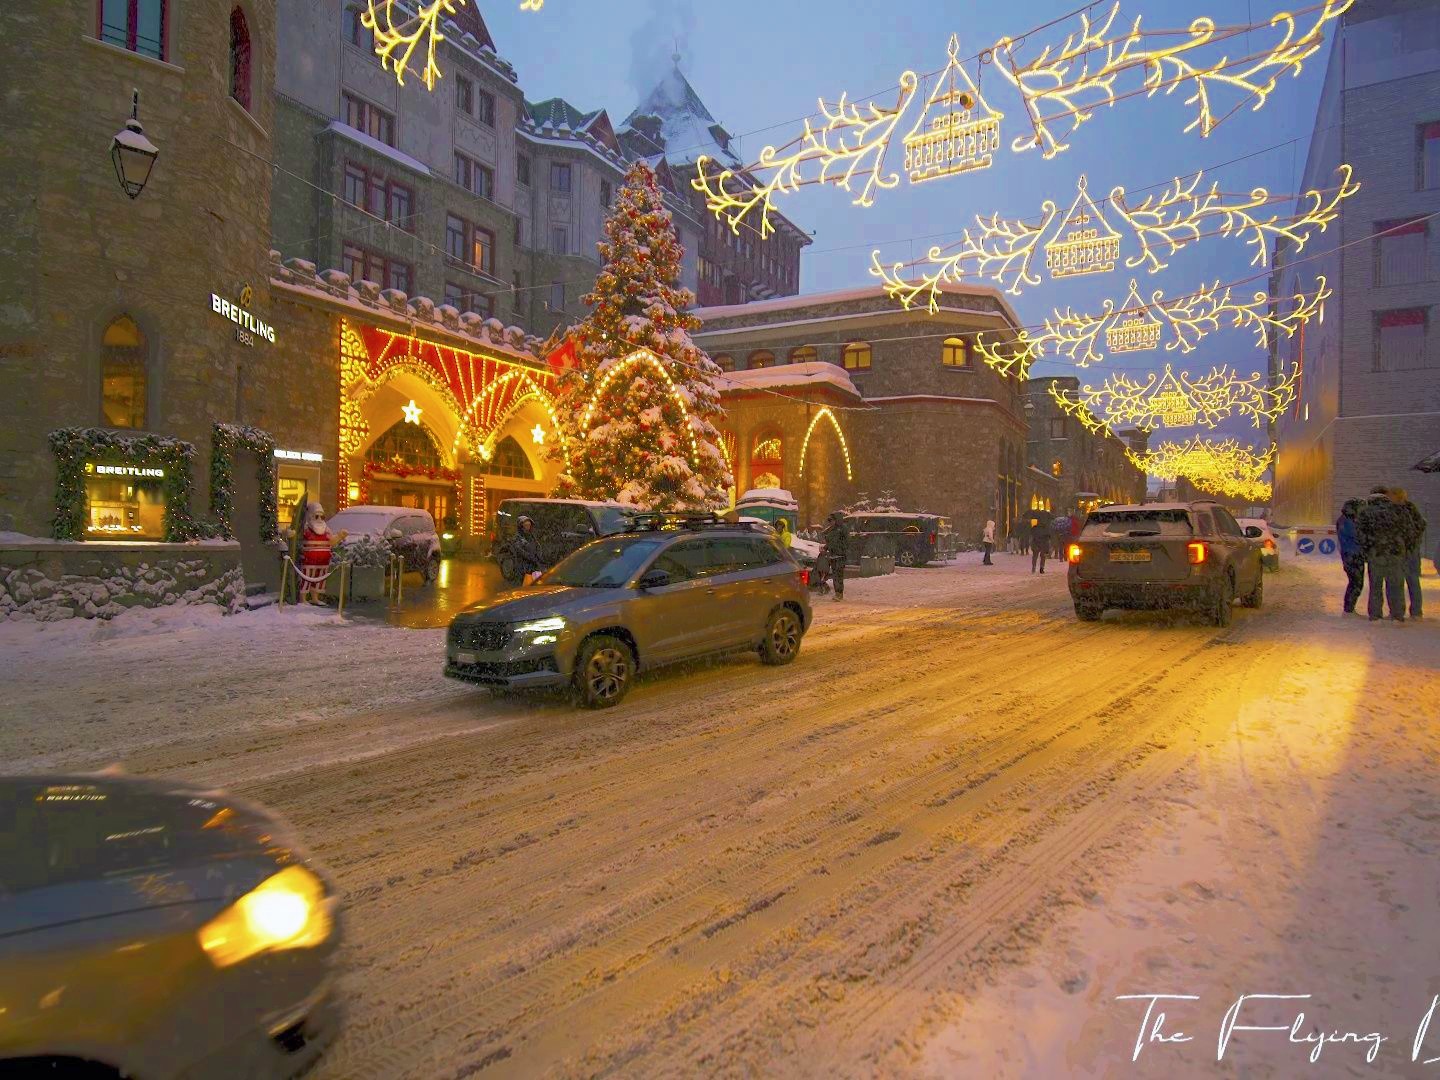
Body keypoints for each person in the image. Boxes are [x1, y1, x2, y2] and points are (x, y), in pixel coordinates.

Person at [1355, 485, 1409, 621]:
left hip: (1376, 554)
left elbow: (1361, 535)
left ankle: (1375, 614)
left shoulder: (1366, 513)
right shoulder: (1399, 511)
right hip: (1396, 553)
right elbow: (1409, 530)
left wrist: (1368, 549)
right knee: (1396, 585)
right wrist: (1404, 547)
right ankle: (1397, 614)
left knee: (1376, 586)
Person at [1390, 487, 1427, 620]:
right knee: (1413, 581)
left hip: (1401, 550)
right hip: (1411, 549)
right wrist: (1415, 541)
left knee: (1398, 581)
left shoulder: (1393, 510)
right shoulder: (1411, 508)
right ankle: (1416, 611)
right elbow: (1422, 524)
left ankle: (1399, 611)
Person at [298, 501, 334, 604]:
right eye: (316, 516)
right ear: (310, 516)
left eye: (322, 517)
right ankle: (303, 598)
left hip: (323, 561)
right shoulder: (306, 528)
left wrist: (340, 536)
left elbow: (332, 541)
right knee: (307, 578)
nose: (319, 519)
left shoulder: (326, 529)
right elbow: (297, 537)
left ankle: (315, 598)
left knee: (319, 579)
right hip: (309, 560)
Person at [1336, 498, 1365, 615]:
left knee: (1355, 582)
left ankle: (1349, 608)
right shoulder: (1348, 521)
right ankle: (1349, 608)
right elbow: (1357, 535)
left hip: (1350, 554)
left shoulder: (1344, 520)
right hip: (1352, 554)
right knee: (1356, 582)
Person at [503, 514, 546, 586]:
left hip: (534, 567)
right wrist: (531, 558)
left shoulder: (532, 536)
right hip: (523, 568)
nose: (528, 527)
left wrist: (538, 557)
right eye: (526, 525)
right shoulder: (517, 538)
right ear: (521, 526)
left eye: (529, 525)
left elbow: (538, 547)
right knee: (524, 587)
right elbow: (520, 551)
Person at [822, 511, 849, 601]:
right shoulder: (832, 529)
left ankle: (839, 593)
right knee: (835, 575)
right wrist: (826, 548)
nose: (830, 522)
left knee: (839, 575)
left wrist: (840, 549)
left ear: (836, 520)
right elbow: (830, 542)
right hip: (833, 555)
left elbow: (846, 542)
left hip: (840, 556)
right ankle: (837, 593)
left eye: (831, 520)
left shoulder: (842, 529)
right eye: (829, 521)